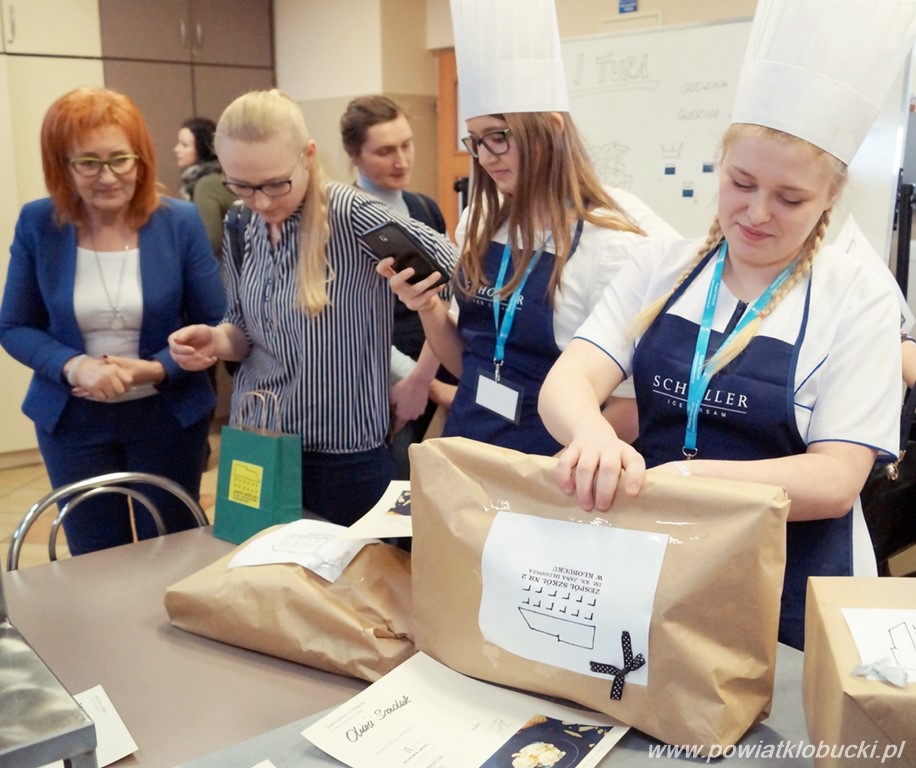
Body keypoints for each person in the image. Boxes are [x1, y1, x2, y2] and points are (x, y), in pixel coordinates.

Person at [537, 0, 916, 650]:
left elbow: (834, 480)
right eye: (741, 182)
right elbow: (568, 381)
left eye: (790, 197)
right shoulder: (660, 266)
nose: (757, 213)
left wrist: (688, 481)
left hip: (792, 587)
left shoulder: (859, 299)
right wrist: (592, 434)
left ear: (831, 194)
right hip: (652, 557)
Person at [376, 0, 677, 457]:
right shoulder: (480, 221)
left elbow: (630, 408)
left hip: (550, 469)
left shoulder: (612, 245)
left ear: (551, 129)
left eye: (498, 137)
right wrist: (428, 308)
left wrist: (543, 481)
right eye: (476, 141)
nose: (484, 157)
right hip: (467, 450)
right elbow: (470, 361)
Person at [168, 89, 457, 527]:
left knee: (357, 570)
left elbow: (459, 273)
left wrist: (422, 369)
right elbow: (242, 331)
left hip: (343, 456)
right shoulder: (240, 221)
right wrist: (213, 340)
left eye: (275, 184)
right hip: (259, 441)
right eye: (241, 186)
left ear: (307, 155)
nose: (261, 202)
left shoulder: (353, 214)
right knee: (259, 563)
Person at [0, 87, 227, 556]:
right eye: (88, 163)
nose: (108, 177)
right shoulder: (38, 223)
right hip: (73, 422)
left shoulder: (179, 222)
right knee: (95, 556)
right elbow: (14, 326)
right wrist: (75, 366)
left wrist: (157, 368)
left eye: (120, 159)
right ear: (61, 165)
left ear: (141, 159)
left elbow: (214, 322)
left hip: (167, 417)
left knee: (171, 549)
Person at [340, 94, 457, 479]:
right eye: (385, 151)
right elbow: (351, 323)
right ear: (354, 154)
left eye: (407, 145)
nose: (401, 161)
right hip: (383, 382)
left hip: (434, 362)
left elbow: (448, 295)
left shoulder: (424, 208)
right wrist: (418, 383)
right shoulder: (342, 221)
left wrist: (428, 379)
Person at [175, 116, 237, 257]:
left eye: (184, 145)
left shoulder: (206, 184)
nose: (176, 149)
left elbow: (209, 241)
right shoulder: (220, 174)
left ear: (201, 148)